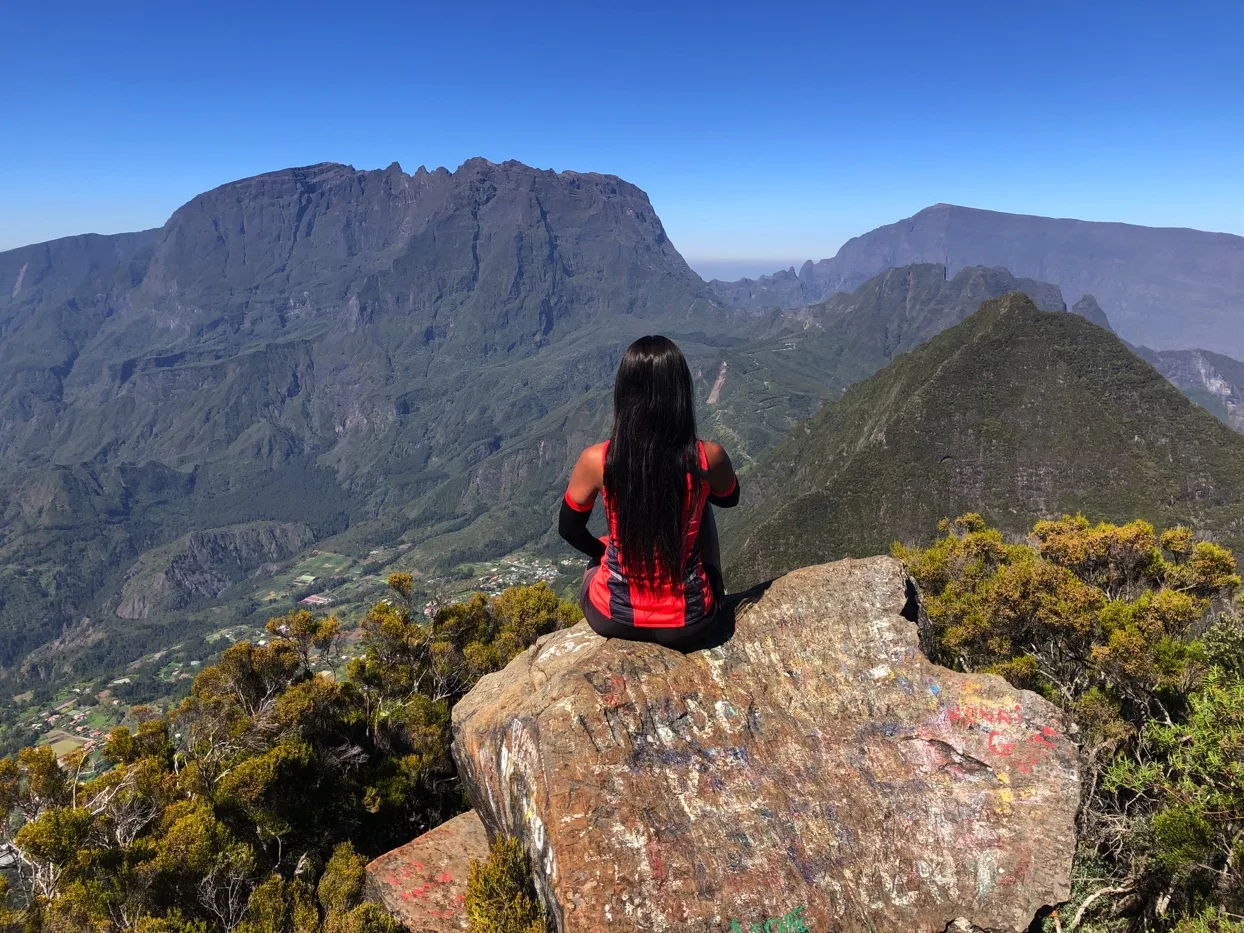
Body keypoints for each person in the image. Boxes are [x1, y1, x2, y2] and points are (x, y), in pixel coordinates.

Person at [558, 335, 740, 649]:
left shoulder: (597, 460)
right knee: (703, 499)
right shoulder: (708, 457)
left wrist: (603, 553)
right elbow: (730, 498)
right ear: (680, 391)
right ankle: (712, 589)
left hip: (612, 618)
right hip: (691, 623)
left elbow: (569, 528)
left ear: (624, 393)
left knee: (594, 565)